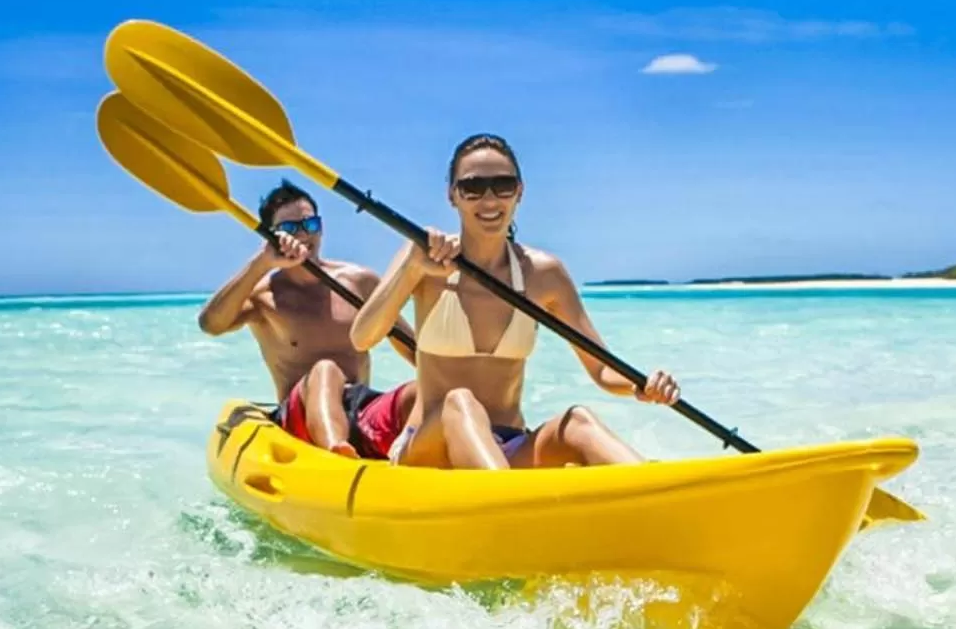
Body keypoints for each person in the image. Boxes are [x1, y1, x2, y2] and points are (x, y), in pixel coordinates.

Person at [347, 134, 679, 468]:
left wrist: (642, 386)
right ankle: (510, 502)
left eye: (502, 185)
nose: (489, 199)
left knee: (578, 422)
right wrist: (411, 268)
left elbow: (602, 368)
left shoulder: (544, 273)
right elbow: (363, 337)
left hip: (508, 444)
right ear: (453, 196)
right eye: (473, 187)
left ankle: (664, 497)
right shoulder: (424, 260)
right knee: (460, 403)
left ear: (519, 192)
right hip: (428, 450)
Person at [198, 180, 416, 458]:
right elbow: (210, 324)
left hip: (360, 410)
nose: (303, 234)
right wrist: (263, 261)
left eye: (310, 224)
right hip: (298, 419)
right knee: (325, 370)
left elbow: (409, 346)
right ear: (272, 236)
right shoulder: (264, 296)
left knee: (417, 393)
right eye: (289, 228)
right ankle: (335, 453)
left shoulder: (359, 282)